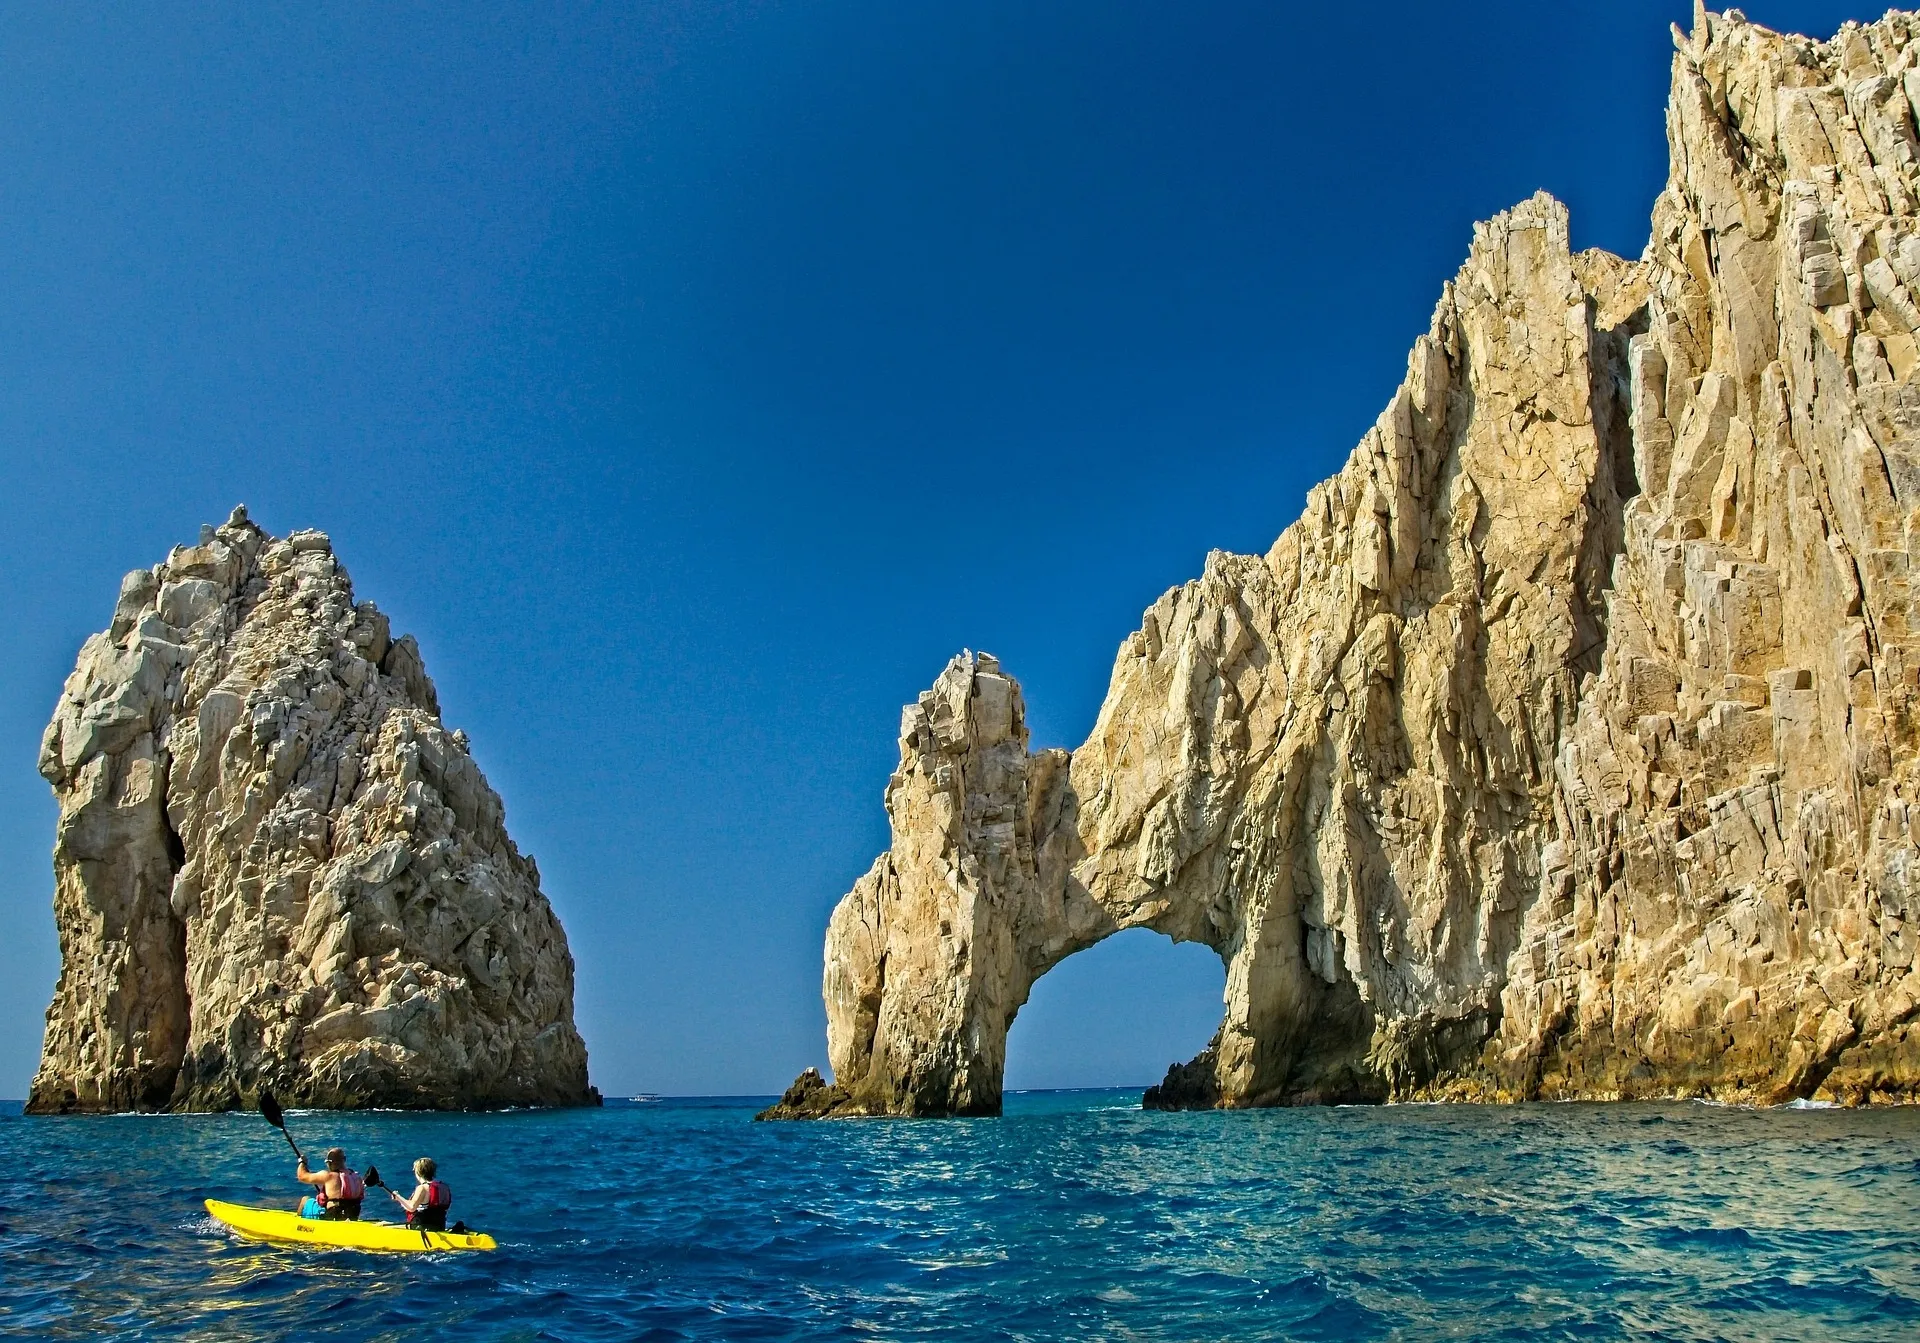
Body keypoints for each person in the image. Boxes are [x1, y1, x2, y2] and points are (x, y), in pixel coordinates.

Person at [294, 1147, 365, 1220]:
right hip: (352, 1216)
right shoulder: (357, 1178)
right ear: (344, 1160)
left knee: (305, 1199)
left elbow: (301, 1176)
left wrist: (302, 1163)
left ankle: (297, 1223)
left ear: (329, 1163)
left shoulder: (328, 1176)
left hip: (331, 1217)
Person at [388, 1157, 453, 1231]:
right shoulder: (444, 1187)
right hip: (439, 1225)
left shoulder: (422, 1188)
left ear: (418, 1172)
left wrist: (398, 1197)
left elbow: (411, 1207)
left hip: (422, 1227)